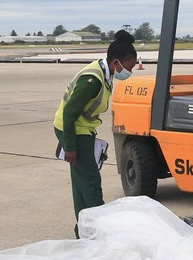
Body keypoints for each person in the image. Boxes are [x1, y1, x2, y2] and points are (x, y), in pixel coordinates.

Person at [53, 29, 137, 237]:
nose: (130, 71)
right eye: (130, 66)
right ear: (116, 62)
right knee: (90, 183)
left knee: (81, 183)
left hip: (81, 130)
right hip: (72, 130)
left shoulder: (104, 74)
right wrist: (70, 146)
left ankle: (83, 230)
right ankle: (98, 231)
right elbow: (70, 112)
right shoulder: (93, 80)